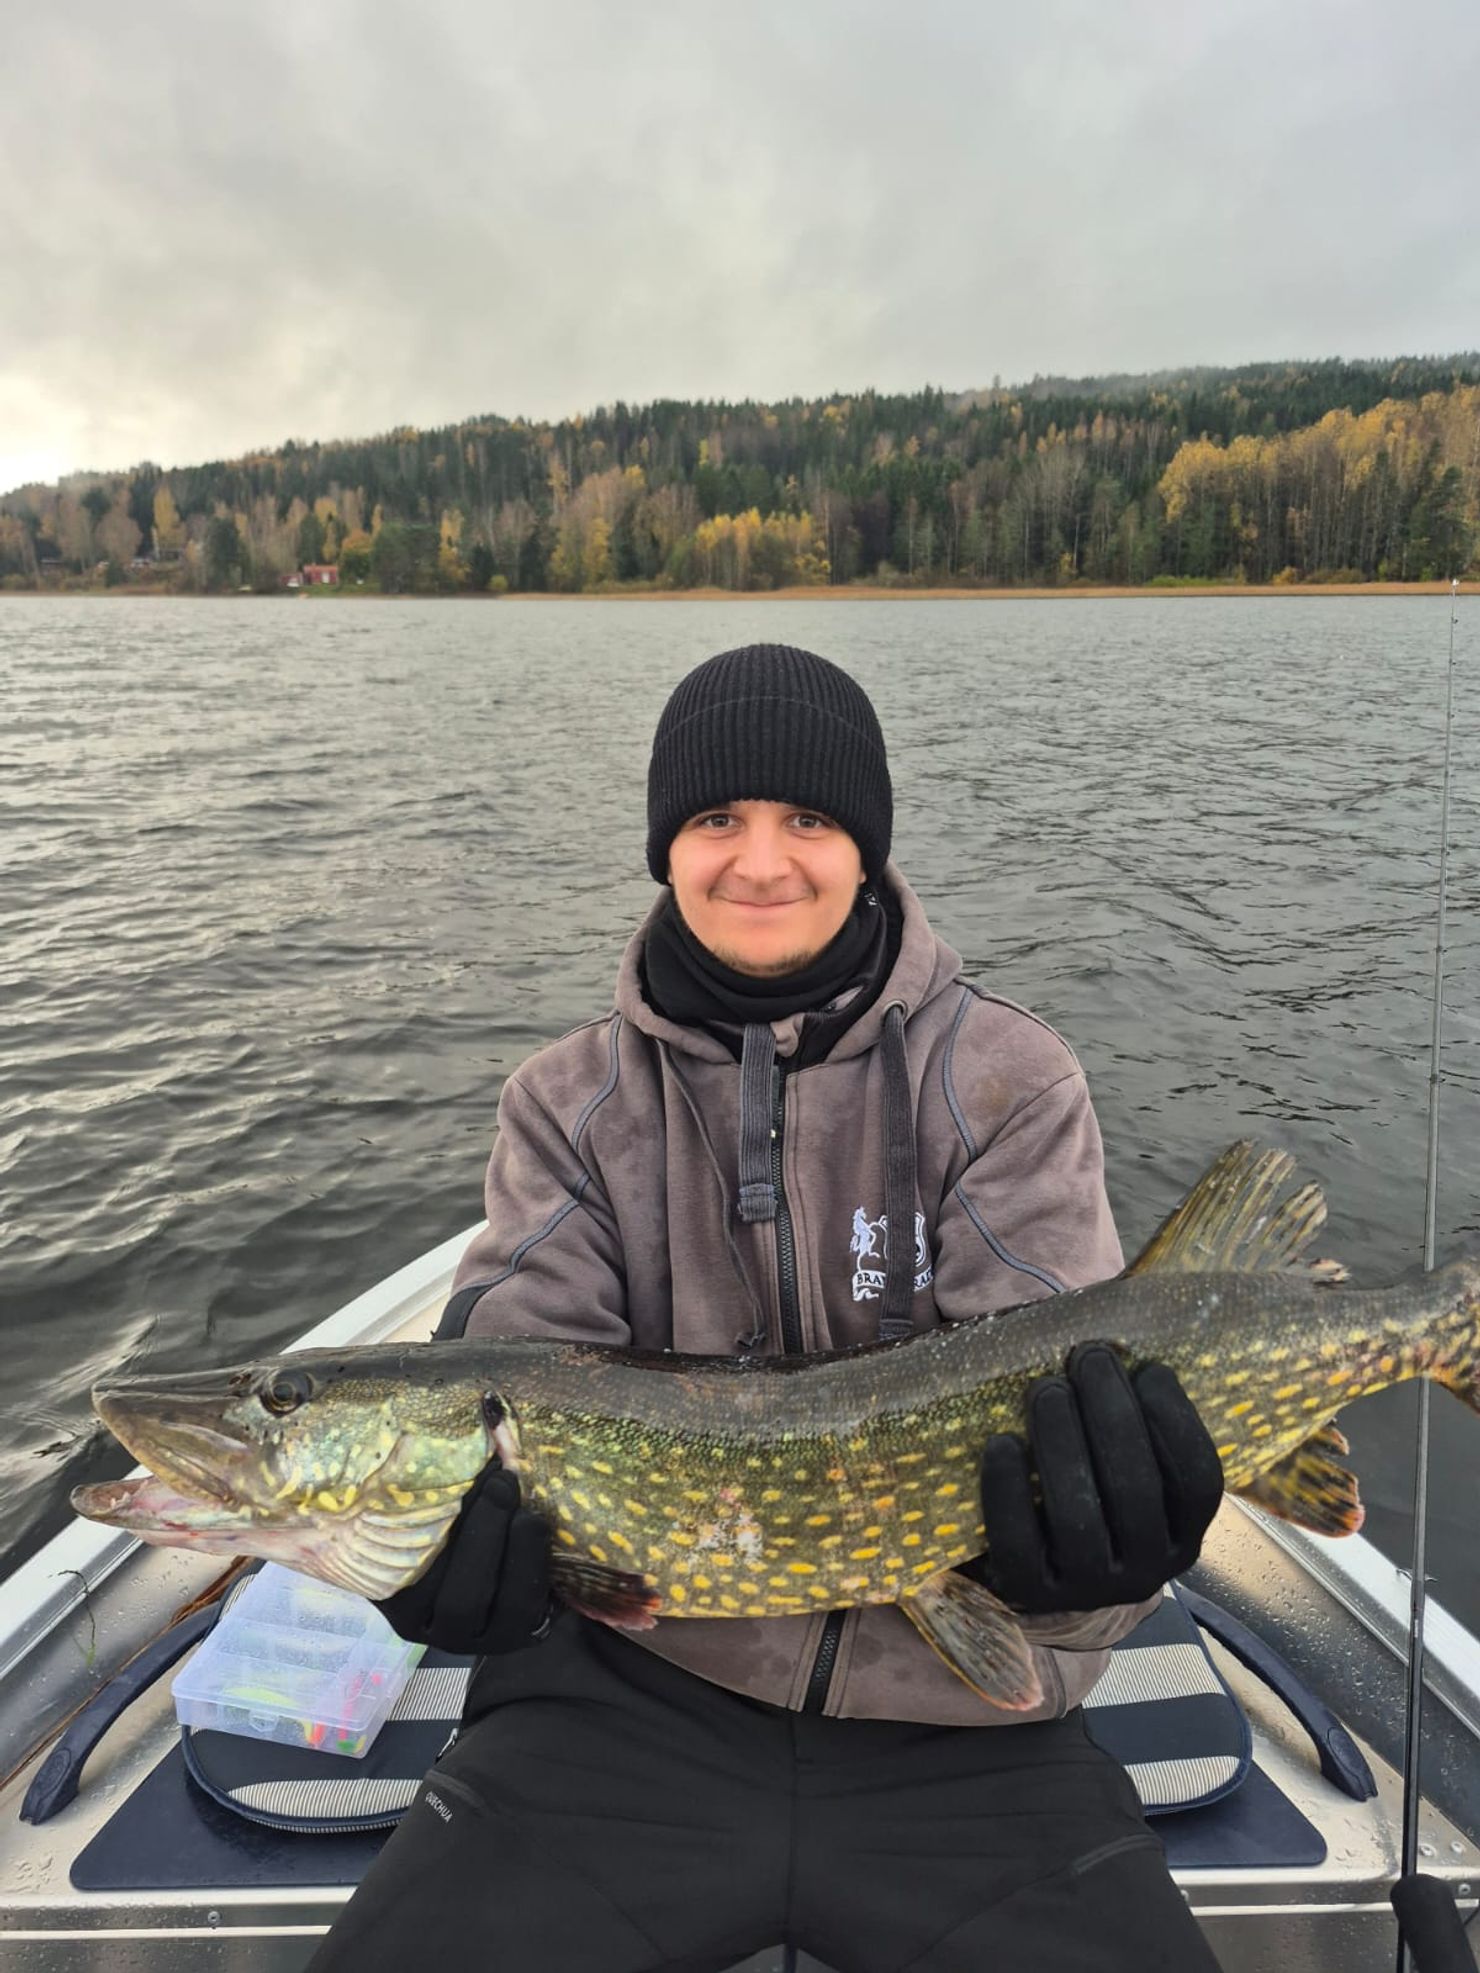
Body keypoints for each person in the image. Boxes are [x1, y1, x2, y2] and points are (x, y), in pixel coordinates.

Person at [308, 643, 1225, 1973]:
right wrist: (447, 1568)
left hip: (969, 1732)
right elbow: (513, 1357)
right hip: (626, 1708)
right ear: (664, 850)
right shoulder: (566, 1104)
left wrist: (1092, 1556)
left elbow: (1059, 1368)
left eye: (806, 818)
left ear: (866, 845)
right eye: (715, 819)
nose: (759, 861)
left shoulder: (1009, 1077)